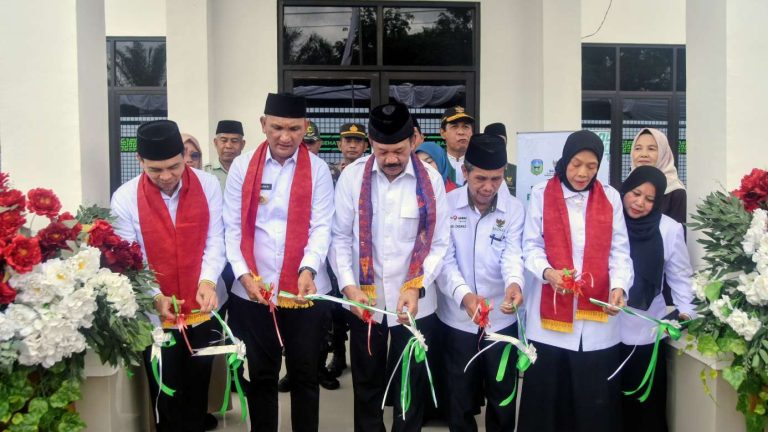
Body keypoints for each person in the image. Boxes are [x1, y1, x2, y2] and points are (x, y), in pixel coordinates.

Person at [330, 102, 450, 432]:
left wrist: (416, 285)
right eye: (383, 152)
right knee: (366, 385)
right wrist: (347, 285)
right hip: (364, 302)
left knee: (408, 389)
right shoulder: (352, 178)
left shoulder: (432, 181)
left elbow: (440, 244)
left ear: (413, 140)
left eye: (398, 150)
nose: (392, 159)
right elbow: (339, 238)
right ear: (371, 142)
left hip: (415, 303)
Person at [224, 93, 334, 432]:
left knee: (304, 374)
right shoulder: (243, 167)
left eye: (294, 129)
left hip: (304, 292)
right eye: (277, 128)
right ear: (263, 125)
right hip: (253, 291)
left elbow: (321, 226)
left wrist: (308, 267)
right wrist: (244, 276)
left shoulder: (318, 170)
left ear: (305, 129)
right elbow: (231, 227)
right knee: (262, 374)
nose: (285, 137)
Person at [110, 120, 225, 432]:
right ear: (141, 162)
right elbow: (133, 259)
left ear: (183, 156)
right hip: (156, 314)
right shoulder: (125, 198)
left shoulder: (208, 185)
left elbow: (216, 240)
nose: (167, 177)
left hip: (202, 308)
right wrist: (155, 296)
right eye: (155, 170)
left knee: (198, 386)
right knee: (165, 388)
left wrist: (207, 280)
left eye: (174, 166)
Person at [517, 130, 633, 432]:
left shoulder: (610, 197)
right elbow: (530, 246)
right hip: (549, 322)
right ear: (565, 160)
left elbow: (620, 251)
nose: (583, 173)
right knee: (546, 402)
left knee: (593, 404)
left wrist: (619, 286)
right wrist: (547, 272)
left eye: (591, 166)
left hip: (596, 320)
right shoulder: (543, 193)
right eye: (577, 164)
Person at [436, 133, 526, 431]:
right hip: (457, 319)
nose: (488, 187)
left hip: (501, 321)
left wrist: (514, 283)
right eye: (480, 178)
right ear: (465, 172)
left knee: (502, 399)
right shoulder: (447, 205)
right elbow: (444, 260)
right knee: (459, 398)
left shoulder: (513, 210)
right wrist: (464, 296)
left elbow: (513, 254)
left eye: (497, 179)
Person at [619, 165, 695, 432]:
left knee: (645, 412)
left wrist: (686, 314)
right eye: (635, 193)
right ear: (625, 189)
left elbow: (681, 278)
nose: (639, 203)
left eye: (650, 199)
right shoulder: (609, 220)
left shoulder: (669, 229)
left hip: (646, 334)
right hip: (604, 334)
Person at [630, 128, 686, 224]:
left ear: (663, 153)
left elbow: (677, 235)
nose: (643, 154)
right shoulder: (626, 188)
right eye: (638, 148)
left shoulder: (675, 192)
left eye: (651, 149)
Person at [205, 120, 246, 190]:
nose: (228, 146)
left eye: (234, 141)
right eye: (224, 140)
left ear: (242, 144)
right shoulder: (206, 172)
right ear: (215, 143)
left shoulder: (250, 171)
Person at [440, 106, 474, 186]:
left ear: (471, 132)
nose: (461, 132)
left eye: (466, 127)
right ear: (443, 133)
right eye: (454, 127)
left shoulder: (480, 163)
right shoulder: (436, 163)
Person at [483, 122, 517, 197]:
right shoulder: (477, 170)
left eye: (502, 141)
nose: (499, 145)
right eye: (495, 141)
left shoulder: (515, 171)